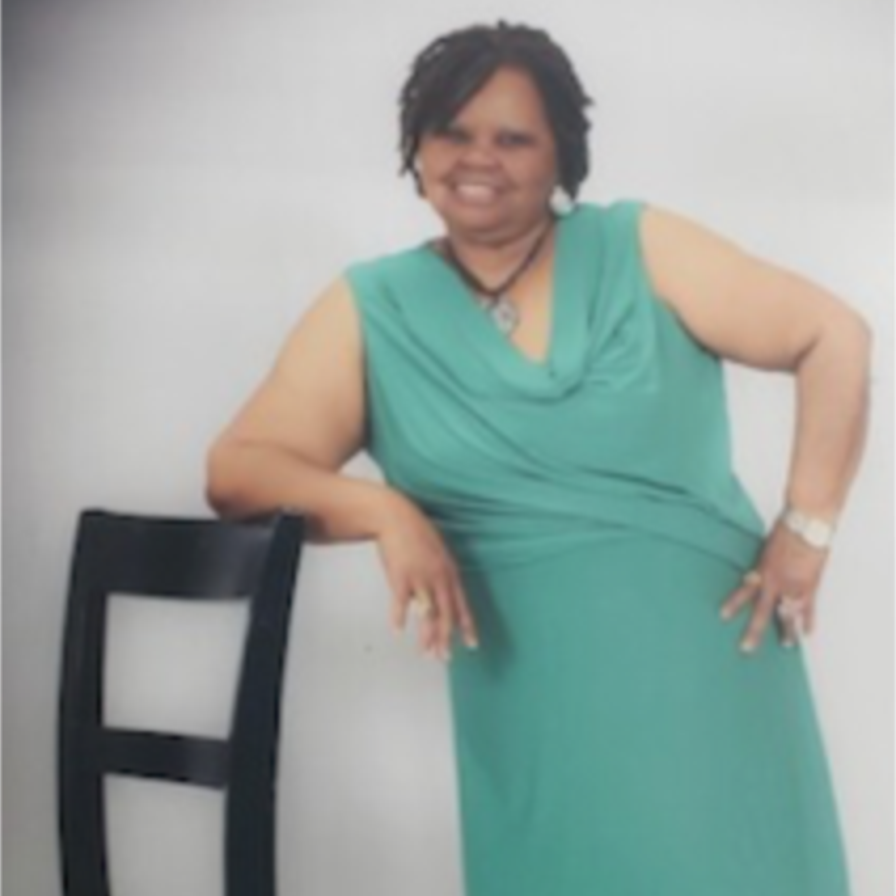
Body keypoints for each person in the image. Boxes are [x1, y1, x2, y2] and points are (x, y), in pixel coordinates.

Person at [206, 21, 871, 896]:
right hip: (528, 702)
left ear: (562, 154)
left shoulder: (640, 246)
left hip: (704, 672)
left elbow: (833, 336)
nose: (477, 158)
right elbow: (239, 471)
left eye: (513, 138)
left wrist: (808, 528)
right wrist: (385, 511)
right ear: (417, 148)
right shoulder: (375, 306)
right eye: (452, 131)